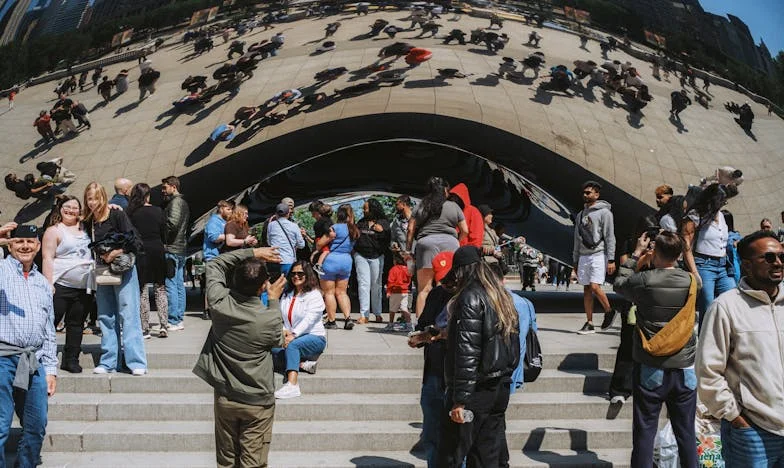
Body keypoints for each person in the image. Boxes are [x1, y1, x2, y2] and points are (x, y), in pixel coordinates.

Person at [696, 231, 784, 467]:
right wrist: (734, 417)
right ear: (746, 265)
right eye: (768, 257)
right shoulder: (726, 307)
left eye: (781, 256)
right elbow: (707, 370)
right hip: (753, 431)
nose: (778, 263)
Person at [192, 247, 285, 468]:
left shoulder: (219, 303)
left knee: (226, 461)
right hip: (257, 400)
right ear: (263, 286)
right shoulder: (268, 319)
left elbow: (214, 264)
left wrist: (253, 251)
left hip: (226, 396)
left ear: (232, 281)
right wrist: (273, 301)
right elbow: (277, 342)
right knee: (253, 462)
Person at [614, 230, 697, 468]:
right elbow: (696, 276)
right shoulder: (692, 282)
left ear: (655, 251)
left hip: (651, 367)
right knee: (686, 434)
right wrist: (687, 251)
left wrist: (637, 254)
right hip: (685, 369)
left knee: (645, 433)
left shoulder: (644, 281)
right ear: (679, 254)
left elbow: (619, 284)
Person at [437, 246, 520, 467]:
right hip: (499, 385)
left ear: (461, 270)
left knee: (451, 452)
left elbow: (467, 352)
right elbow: (512, 344)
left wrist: (460, 400)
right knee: (486, 454)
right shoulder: (501, 296)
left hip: (477, 390)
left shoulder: (470, 297)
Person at [0, 222, 58, 467]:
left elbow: (49, 329)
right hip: (3, 358)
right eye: (19, 241)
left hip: (32, 360)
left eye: (30, 242)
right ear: (11, 245)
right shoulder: (2, 270)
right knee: (1, 425)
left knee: (36, 424)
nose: (25, 246)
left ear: (37, 246)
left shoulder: (43, 283)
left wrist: (51, 369)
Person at [83, 182, 147, 375]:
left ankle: (136, 361)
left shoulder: (117, 214)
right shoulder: (89, 221)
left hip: (123, 269)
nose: (93, 202)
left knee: (129, 314)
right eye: (89, 198)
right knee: (105, 315)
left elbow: (136, 241)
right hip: (102, 271)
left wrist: (116, 252)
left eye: (96, 198)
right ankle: (109, 360)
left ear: (104, 197)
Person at [409, 251, 453, 467]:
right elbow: (423, 325)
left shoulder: (469, 296)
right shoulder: (436, 295)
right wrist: (419, 337)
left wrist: (439, 335)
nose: (446, 282)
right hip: (434, 371)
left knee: (455, 439)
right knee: (431, 434)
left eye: (450, 277)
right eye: (442, 277)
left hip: (456, 373)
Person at [41, 196, 92, 372]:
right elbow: (47, 257)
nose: (70, 210)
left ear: (80, 210)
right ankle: (43, 357)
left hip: (84, 285)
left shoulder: (86, 227)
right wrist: (48, 283)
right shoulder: (54, 230)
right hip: (60, 284)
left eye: (75, 207)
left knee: (76, 324)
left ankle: (71, 359)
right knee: (50, 322)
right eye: (67, 207)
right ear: (60, 209)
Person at [408, 177, 469, 317]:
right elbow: (465, 230)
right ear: (445, 190)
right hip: (450, 244)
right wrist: (456, 243)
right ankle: (446, 323)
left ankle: (421, 327)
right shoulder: (454, 206)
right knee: (448, 287)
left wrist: (409, 249)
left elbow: (411, 229)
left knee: (424, 289)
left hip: (426, 244)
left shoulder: (421, 205)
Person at [680, 183, 736, 330]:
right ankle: (706, 343)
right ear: (713, 200)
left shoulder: (722, 216)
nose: (724, 203)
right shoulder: (695, 216)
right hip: (704, 265)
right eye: (721, 200)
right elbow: (686, 246)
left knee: (732, 299)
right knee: (708, 306)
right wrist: (694, 272)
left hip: (723, 265)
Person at [272, 261, 326, 399]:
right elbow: (279, 316)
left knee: (293, 347)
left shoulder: (314, 295)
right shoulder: (287, 294)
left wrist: (293, 335)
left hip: (314, 337)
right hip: (290, 336)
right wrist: (284, 331)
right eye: (293, 273)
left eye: (300, 273)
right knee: (270, 351)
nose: (296, 276)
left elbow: (310, 319)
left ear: (307, 275)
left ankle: (292, 385)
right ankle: (302, 365)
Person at [573, 181, 618, 334]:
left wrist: (611, 259)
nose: (585, 195)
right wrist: (575, 259)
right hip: (584, 256)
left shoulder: (605, 213)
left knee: (594, 286)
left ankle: (609, 310)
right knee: (586, 289)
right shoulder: (580, 215)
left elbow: (610, 236)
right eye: (584, 192)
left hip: (598, 254)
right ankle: (589, 322)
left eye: (589, 192)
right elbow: (577, 239)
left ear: (597, 195)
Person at [127, 184, 169, 339]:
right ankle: (164, 325)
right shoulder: (158, 211)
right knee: (160, 287)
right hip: (157, 249)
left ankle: (145, 328)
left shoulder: (131, 213)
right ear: (148, 196)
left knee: (142, 289)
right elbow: (165, 232)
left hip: (141, 251)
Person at [321, 204, 359, 330]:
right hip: (346, 261)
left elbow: (320, 244)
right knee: (342, 292)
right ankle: (348, 318)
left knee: (329, 293)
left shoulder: (334, 228)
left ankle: (332, 321)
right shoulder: (354, 229)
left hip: (331, 261)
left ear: (338, 215)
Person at [354, 199, 390, 324]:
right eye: (363, 208)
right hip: (361, 256)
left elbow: (388, 240)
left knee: (376, 285)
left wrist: (383, 231)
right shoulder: (361, 223)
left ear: (373, 209)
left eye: (366, 208)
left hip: (377, 256)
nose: (364, 211)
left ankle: (378, 313)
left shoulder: (383, 223)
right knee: (363, 284)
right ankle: (364, 315)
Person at [161, 176, 190, 331]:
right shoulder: (182, 203)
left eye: (165, 187)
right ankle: (178, 318)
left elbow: (172, 224)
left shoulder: (176, 203)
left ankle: (174, 319)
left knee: (171, 284)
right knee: (178, 284)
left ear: (173, 187)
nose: (163, 191)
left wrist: (163, 239)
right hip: (180, 249)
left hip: (172, 249)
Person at [267, 203, 304, 277]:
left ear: (276, 214)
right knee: (288, 285)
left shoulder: (271, 225)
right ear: (288, 214)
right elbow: (302, 245)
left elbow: (269, 242)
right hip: (288, 260)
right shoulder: (294, 226)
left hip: (274, 261)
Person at [449, 183, 483, 248]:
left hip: (463, 250)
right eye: (452, 198)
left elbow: (476, 238)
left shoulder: (473, 212)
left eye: (456, 198)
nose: (453, 200)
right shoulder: (447, 208)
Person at [386, 252, 413, 332]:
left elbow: (390, 281)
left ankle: (391, 324)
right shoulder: (407, 269)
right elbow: (410, 275)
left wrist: (388, 291)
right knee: (404, 308)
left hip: (395, 291)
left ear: (395, 261)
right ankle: (409, 325)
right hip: (405, 291)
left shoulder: (393, 269)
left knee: (392, 309)